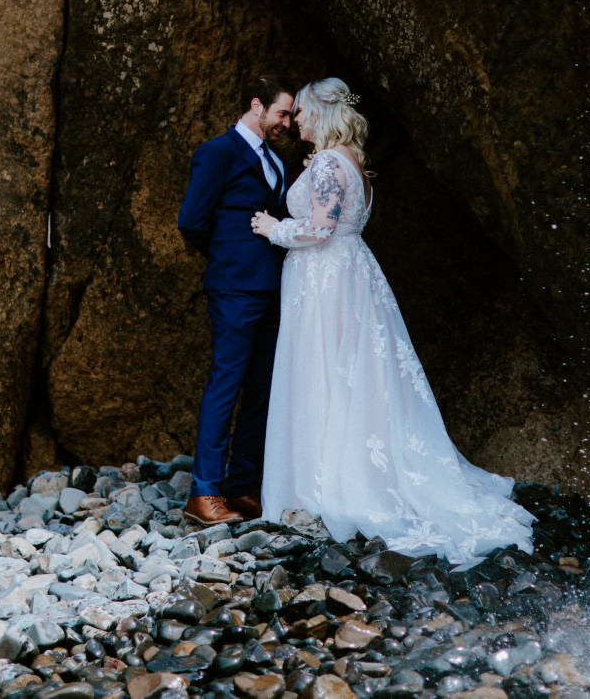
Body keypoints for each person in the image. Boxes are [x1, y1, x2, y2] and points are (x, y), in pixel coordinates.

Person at [252, 77, 534, 562]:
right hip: (347, 277)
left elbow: (320, 229)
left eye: (300, 111)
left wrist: (275, 228)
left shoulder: (327, 162)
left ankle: (327, 487)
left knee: (326, 372)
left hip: (327, 281)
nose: (295, 119)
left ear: (320, 113)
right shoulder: (354, 162)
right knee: (349, 375)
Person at [177, 75, 296, 525]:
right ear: (256, 106)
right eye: (281, 112)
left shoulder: (278, 161)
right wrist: (230, 254)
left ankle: (242, 487)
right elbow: (191, 221)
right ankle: (202, 492)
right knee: (226, 384)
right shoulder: (218, 152)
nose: (286, 122)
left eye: (289, 115)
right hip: (233, 288)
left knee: (262, 389)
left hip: (274, 288)